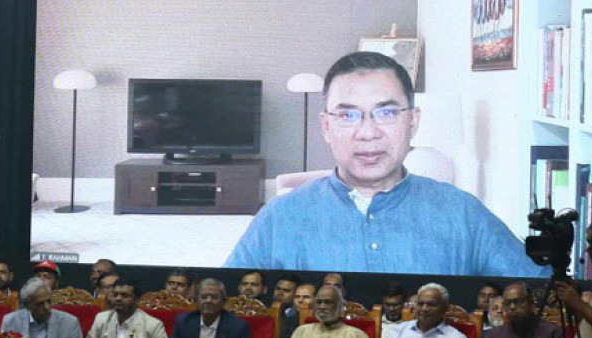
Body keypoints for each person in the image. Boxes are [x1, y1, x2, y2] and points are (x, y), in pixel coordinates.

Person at [224, 52, 546, 278]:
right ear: (325, 127)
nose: (368, 133)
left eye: (387, 113)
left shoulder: (462, 213)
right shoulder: (280, 217)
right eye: (348, 115)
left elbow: (542, 297)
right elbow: (225, 310)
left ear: (413, 122)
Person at [378, 283, 470, 338]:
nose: (424, 309)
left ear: (444, 308)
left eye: (431, 304)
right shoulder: (397, 331)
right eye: (420, 304)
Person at [482, 283, 567, 338]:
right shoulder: (494, 335)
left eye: (518, 302)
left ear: (532, 304)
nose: (512, 307)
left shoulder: (553, 333)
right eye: (507, 303)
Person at [284, 286, 372, 338]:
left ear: (340, 306)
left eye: (328, 302)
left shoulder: (357, 336)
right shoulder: (301, 332)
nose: (322, 307)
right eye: (318, 302)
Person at [168, 278, 252, 338]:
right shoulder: (183, 322)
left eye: (214, 297)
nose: (208, 301)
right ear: (196, 301)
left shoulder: (238, 326)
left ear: (224, 302)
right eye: (204, 297)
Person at [86, 280, 169, 338]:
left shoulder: (153, 325)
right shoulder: (101, 319)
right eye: (115, 295)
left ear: (137, 300)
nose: (118, 299)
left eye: (124, 295)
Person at [0, 278, 82, 338]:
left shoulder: (70, 323)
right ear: (27, 305)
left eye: (49, 301)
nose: (47, 307)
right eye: (40, 304)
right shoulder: (10, 321)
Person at [274, 273, 302, 338]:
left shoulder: (298, 316)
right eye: (278, 289)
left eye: (286, 291)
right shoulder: (265, 311)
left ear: (295, 294)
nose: (280, 293)